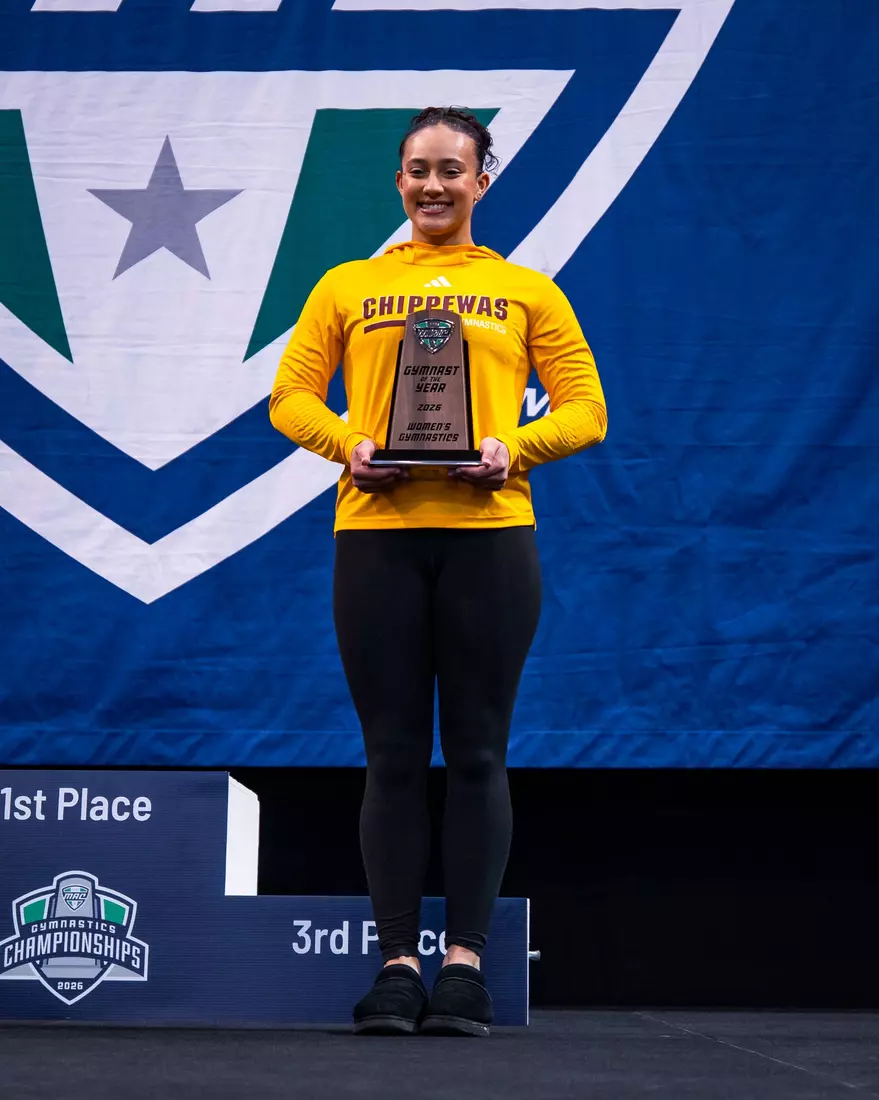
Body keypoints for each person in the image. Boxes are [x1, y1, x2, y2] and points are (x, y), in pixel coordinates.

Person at [269, 106, 607, 1037]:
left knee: (478, 754)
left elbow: (586, 409)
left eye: (451, 170)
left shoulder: (527, 291)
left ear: (481, 181)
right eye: (417, 170)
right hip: (375, 535)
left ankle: (463, 966)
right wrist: (348, 446)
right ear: (397, 181)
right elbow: (289, 395)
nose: (432, 186)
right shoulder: (346, 286)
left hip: (491, 537)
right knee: (388, 758)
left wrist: (514, 449)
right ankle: (395, 965)